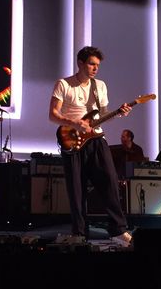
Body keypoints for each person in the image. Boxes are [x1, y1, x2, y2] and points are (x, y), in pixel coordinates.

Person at [49, 46, 133, 247]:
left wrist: (118, 113)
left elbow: (102, 116)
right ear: (80, 63)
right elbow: (52, 114)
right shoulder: (64, 84)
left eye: (97, 65)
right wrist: (74, 123)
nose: (95, 68)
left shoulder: (100, 86)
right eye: (91, 64)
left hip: (96, 139)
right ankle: (79, 232)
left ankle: (118, 230)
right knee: (76, 189)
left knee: (110, 182)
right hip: (72, 139)